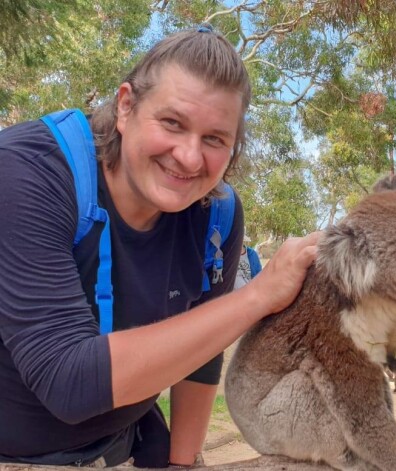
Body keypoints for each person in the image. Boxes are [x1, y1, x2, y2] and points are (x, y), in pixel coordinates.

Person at [0, 27, 319, 468]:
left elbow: (199, 356)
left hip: (123, 446)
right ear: (127, 106)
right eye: (173, 123)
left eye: (214, 139)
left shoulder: (216, 215)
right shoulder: (28, 174)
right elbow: (67, 382)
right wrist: (260, 296)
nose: (189, 158)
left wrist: (181, 463)